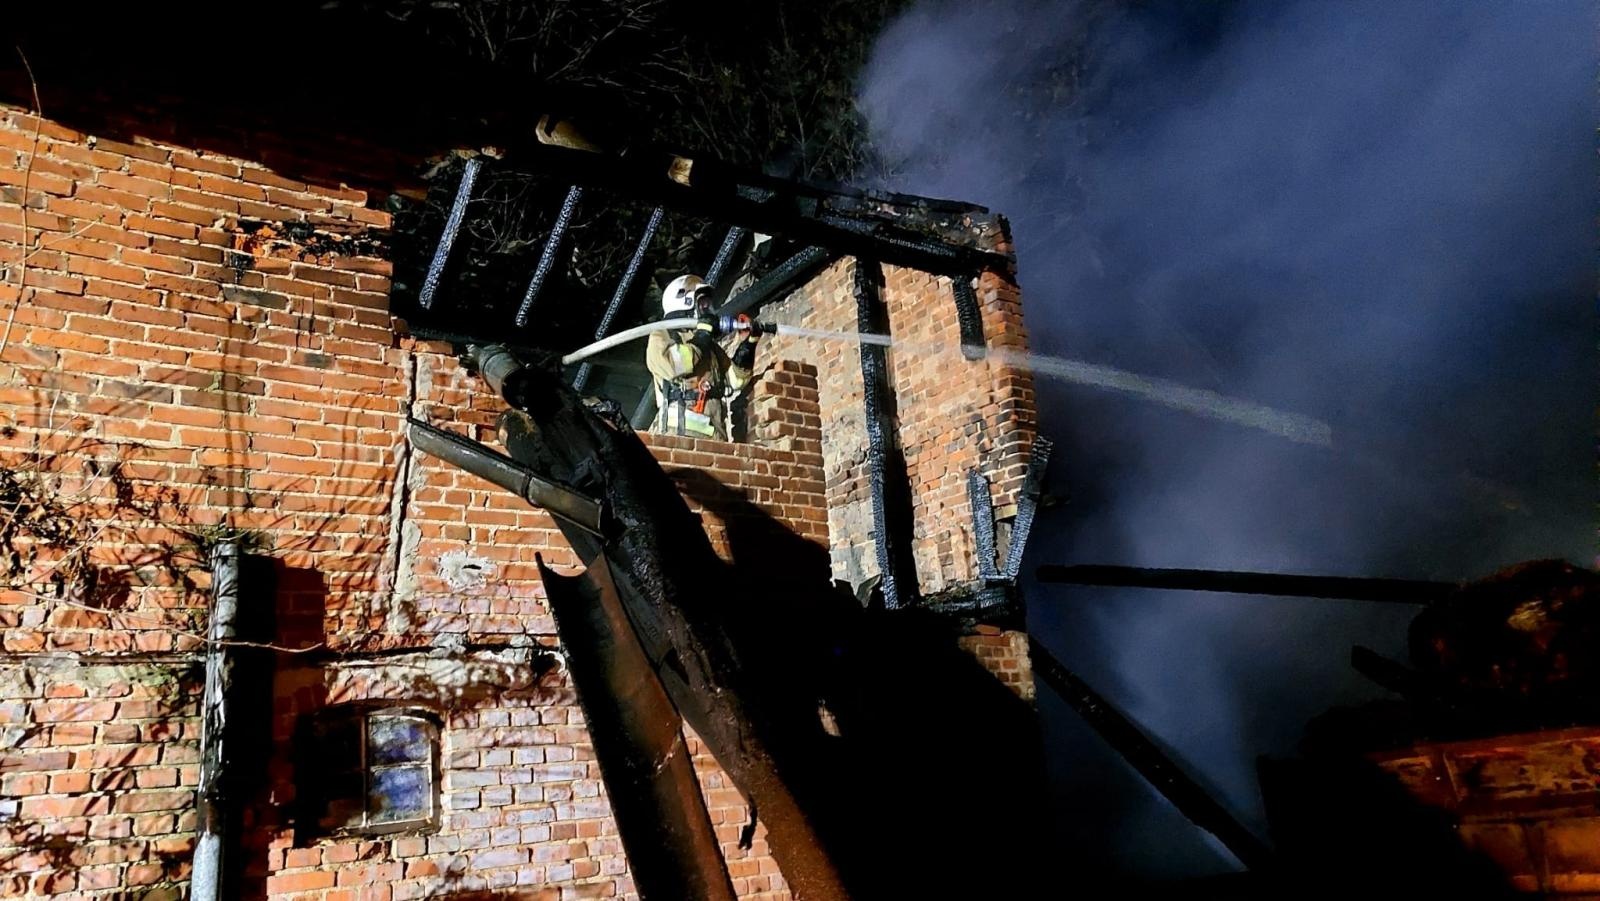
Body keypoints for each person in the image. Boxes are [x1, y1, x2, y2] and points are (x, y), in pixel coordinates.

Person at [645, 274, 760, 440]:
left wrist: (749, 344)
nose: (708, 309)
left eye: (708, 304)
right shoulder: (662, 335)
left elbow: (735, 381)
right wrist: (703, 335)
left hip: (715, 436)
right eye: (703, 303)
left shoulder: (709, 347)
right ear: (685, 302)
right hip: (678, 434)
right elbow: (673, 366)